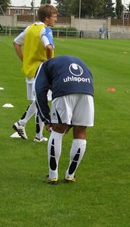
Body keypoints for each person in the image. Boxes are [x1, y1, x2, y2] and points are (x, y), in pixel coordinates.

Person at [35, 55, 94, 184]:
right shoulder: (71, 61)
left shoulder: (42, 67)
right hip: (87, 90)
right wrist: (70, 122)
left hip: (64, 89)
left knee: (58, 130)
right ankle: (70, 175)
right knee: (81, 132)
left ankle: (52, 176)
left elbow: (39, 91)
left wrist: (47, 120)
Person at [12, 4, 58, 142]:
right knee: (41, 101)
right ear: (47, 18)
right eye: (54, 17)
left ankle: (33, 131)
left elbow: (16, 43)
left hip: (31, 70)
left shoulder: (30, 28)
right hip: (41, 72)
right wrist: (50, 64)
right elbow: (48, 47)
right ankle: (24, 125)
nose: (56, 19)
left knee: (38, 101)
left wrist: (24, 60)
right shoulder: (45, 30)